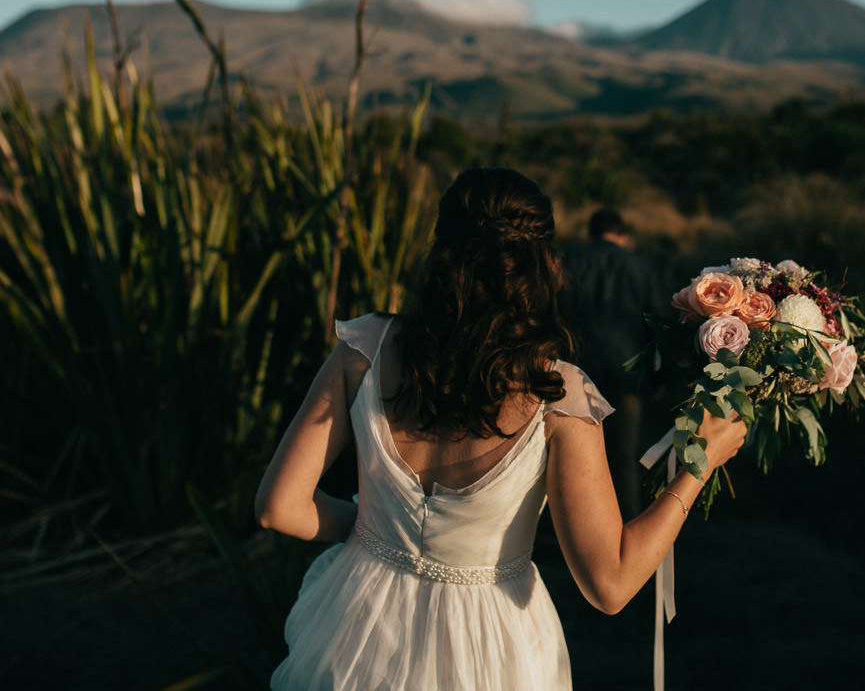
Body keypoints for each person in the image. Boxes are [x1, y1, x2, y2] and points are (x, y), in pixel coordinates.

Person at [255, 167, 745, 690]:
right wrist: (699, 466)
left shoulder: (363, 347)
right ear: (540, 264)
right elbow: (611, 583)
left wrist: (375, 530)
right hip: (490, 650)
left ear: (441, 250)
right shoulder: (559, 396)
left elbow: (278, 508)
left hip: (354, 627)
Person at [562, 208, 663, 517]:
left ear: (590, 234)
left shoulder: (571, 261)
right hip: (628, 375)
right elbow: (658, 324)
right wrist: (658, 378)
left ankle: (569, 528)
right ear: (624, 237)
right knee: (623, 460)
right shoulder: (642, 267)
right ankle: (628, 527)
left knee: (572, 457)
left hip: (578, 373)